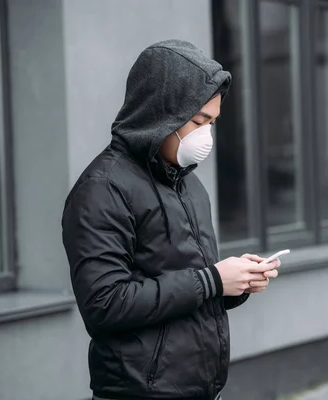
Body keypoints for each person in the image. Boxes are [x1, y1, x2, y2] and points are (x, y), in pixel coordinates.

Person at [61, 39, 280, 400]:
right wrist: (211, 280)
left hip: (200, 390)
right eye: (199, 120)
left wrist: (234, 283)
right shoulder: (102, 188)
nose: (206, 135)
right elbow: (105, 305)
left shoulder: (190, 184)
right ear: (161, 112)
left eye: (213, 122)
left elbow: (186, 286)